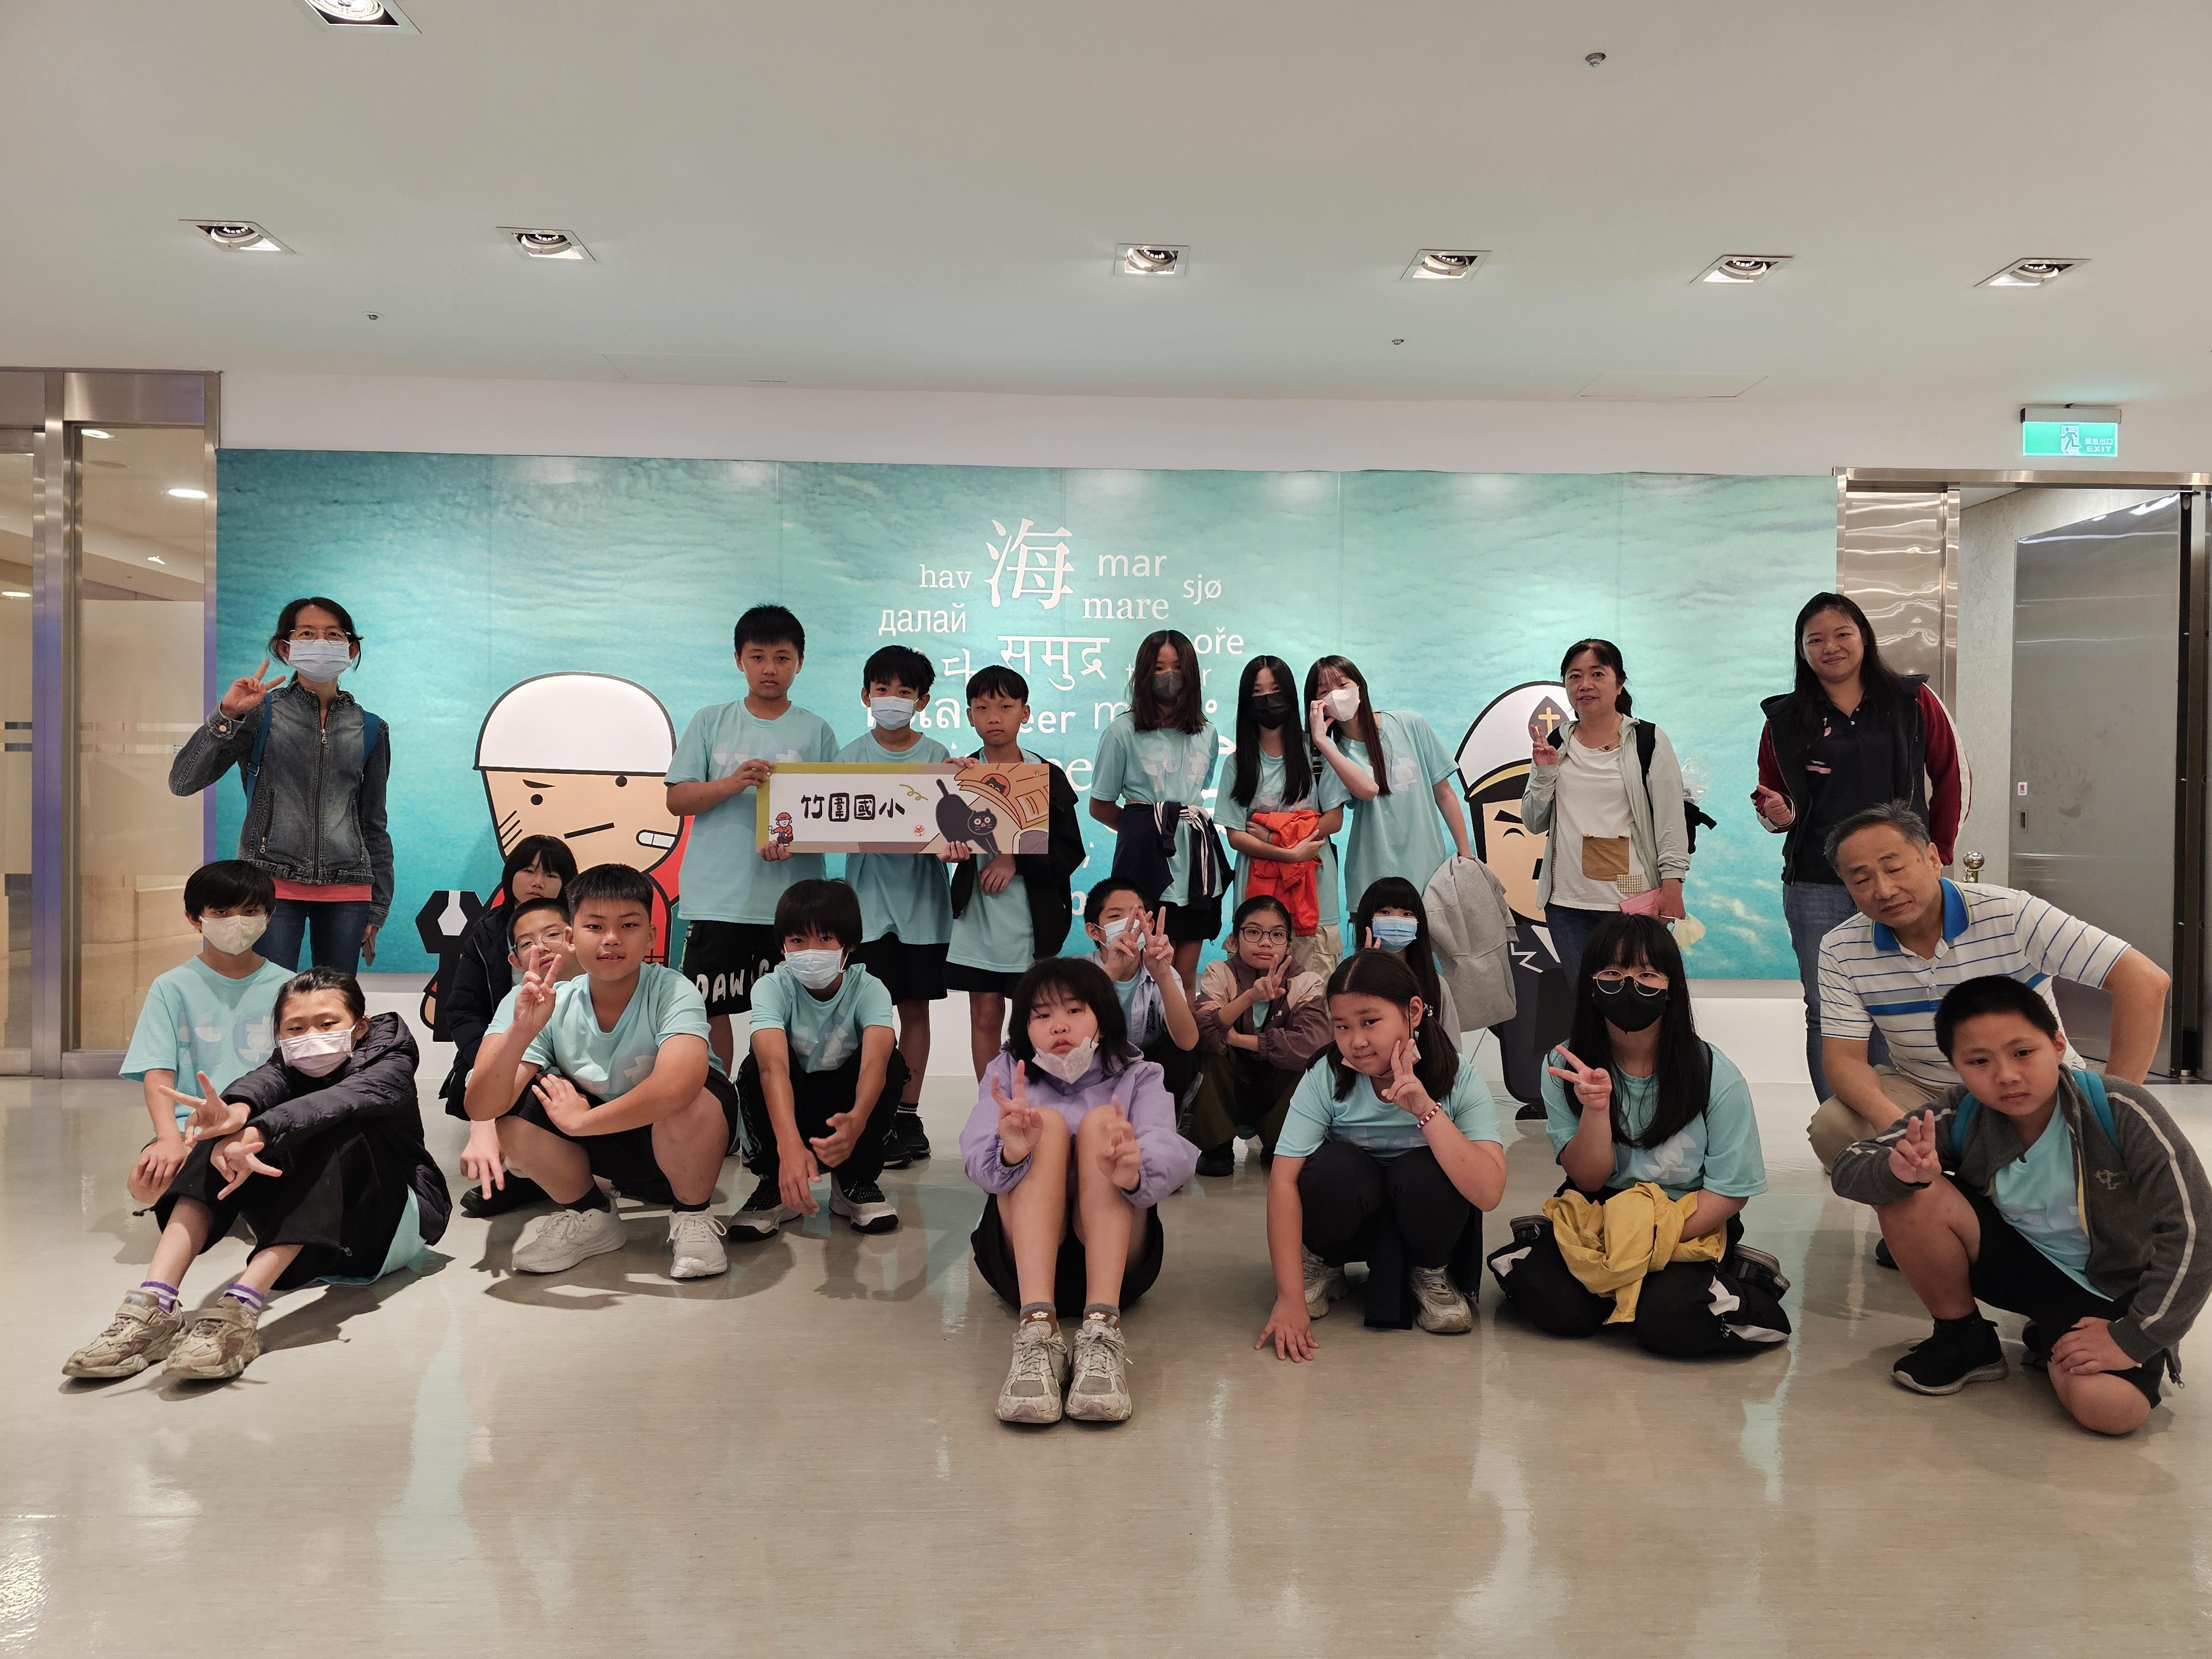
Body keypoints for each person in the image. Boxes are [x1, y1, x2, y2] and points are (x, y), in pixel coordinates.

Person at [1831, 976, 2210, 1435]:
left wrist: (2134, 1337)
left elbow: (2196, 1230)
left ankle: (2054, 1336)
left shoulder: (2119, 1108)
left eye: (2023, 1052)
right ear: (1956, 1066)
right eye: (1979, 1061)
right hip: (2016, 1269)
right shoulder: (1961, 1113)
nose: (2006, 1075)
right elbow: (1850, 1166)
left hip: (2109, 1289)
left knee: (2112, 1411)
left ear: (2058, 1044)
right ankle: (1965, 1338)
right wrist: (1898, 1171)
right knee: (1911, 1192)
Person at [65, 968, 450, 1384]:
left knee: (341, 1131)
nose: (311, 1036)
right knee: (218, 1139)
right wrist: (234, 1114)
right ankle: (156, 1303)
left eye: (327, 1024)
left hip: (387, 1226)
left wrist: (258, 1132)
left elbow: (336, 1102)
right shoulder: (290, 1062)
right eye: (296, 1028)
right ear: (281, 1036)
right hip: (314, 1240)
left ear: (360, 1026)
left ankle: (241, 1308)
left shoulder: (391, 1056)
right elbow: (263, 1083)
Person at [1487, 914, 1792, 1357]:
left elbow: (1731, 1191)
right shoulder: (1565, 1067)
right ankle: (1551, 1246)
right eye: (1612, 973)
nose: (1629, 986)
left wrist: (1650, 1240)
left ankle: (1749, 1280)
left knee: (1668, 1322)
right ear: (1590, 984)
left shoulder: (1713, 1073)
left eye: (1648, 975)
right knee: (1560, 1311)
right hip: (1600, 1212)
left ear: (1672, 988)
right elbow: (1589, 1179)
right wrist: (1596, 1110)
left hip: (1685, 1215)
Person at [1808, 801, 2171, 1173]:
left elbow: (2144, 981)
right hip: (1926, 1090)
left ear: (1932, 859)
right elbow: (1844, 1058)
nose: (1884, 890)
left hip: (2032, 1084)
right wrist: (1893, 1124)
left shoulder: (2013, 914)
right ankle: (1944, 1187)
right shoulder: (1841, 947)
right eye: (1862, 880)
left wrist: (2110, 1107)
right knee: (1836, 1128)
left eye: (1895, 868)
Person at [465, 864, 742, 1281]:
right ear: (572, 937)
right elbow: (483, 1105)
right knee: (514, 1110)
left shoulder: (672, 989)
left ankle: (693, 1215)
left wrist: (582, 1122)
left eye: (629, 925)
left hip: (674, 1136)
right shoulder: (542, 999)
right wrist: (521, 1033)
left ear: (651, 936)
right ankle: (589, 1215)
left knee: (694, 1097)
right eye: (595, 926)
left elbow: (677, 1086)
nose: (611, 939)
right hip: (602, 1138)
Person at [962, 957, 1198, 1424]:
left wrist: (1133, 1169)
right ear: (1024, 1026)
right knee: (1042, 1125)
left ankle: (1101, 1334)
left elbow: (1170, 1150)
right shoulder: (1008, 1071)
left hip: (1117, 1267)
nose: (1059, 1025)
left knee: (1104, 1124)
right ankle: (1036, 1336)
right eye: (1042, 1014)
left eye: (1074, 1010)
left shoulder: (1140, 1074)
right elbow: (975, 1155)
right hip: (1021, 1268)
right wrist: (1010, 1152)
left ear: (1103, 1018)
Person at [1753, 592, 1968, 1099]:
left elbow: (1952, 776)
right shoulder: (1785, 718)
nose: (1830, 647)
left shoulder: (1913, 701)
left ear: (1864, 638)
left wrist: (1939, 853)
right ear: (1802, 651)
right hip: (1816, 882)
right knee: (1827, 1007)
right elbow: (1774, 797)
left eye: (1842, 635)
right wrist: (1779, 814)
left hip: (1904, 876)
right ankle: (1845, 1123)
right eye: (1816, 640)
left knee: (1907, 998)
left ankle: (1908, 1120)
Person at [1256, 952, 1506, 1359]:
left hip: (1426, 1218)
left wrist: (1425, 1109)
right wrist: (1289, 1297)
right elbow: (1282, 1181)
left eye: (1370, 1021)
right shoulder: (1325, 1075)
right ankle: (1323, 1262)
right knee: (1335, 1168)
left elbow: (1489, 1192)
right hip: (1351, 1214)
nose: (1356, 1041)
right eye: (1342, 1026)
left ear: (1413, 1012)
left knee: (1432, 1169)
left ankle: (1430, 1270)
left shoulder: (1458, 1076)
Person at [168, 596, 392, 973]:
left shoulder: (370, 727)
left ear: (351, 649)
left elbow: (374, 823)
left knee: (335, 999)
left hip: (349, 888)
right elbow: (183, 781)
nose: (320, 641)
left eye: (333, 634)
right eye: (307, 633)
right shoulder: (260, 714)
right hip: (269, 886)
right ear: (286, 648)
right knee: (268, 996)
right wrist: (227, 715)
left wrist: (378, 904)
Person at [667, 604, 839, 1071]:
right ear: (738, 660)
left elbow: (835, 813)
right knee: (710, 1008)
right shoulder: (710, 721)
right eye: (758, 656)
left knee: (791, 1012)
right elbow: (677, 799)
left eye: (782, 658)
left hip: (791, 900)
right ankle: (720, 1098)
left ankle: (775, 1098)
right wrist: (732, 783)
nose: (770, 669)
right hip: (718, 897)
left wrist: (796, 841)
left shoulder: (816, 730)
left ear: (799, 663)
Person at [729, 878, 905, 1239]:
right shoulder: (771, 988)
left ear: (849, 944)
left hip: (844, 1107)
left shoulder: (870, 989)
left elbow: (875, 1063)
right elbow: (772, 1069)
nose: (811, 951)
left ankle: (855, 1182)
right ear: (782, 946)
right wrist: (789, 1147)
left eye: (825, 938)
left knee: (892, 1062)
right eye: (798, 940)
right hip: (792, 1102)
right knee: (753, 1068)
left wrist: (857, 1120)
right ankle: (775, 1182)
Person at [118, 860, 296, 1208]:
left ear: (269, 915)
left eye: (250, 911)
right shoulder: (171, 987)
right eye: (221, 912)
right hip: (193, 1128)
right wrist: (168, 1139)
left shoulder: (291, 987)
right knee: (145, 1184)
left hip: (264, 1124)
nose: (236, 922)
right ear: (195, 917)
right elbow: (158, 1072)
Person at [837, 645, 953, 1168]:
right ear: (866, 695)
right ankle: (873, 1114)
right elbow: (822, 822)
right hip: (865, 911)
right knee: (870, 1018)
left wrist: (956, 842)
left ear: (922, 701)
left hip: (924, 909)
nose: (892, 700)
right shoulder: (848, 759)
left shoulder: (939, 757)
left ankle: (907, 1112)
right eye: (882, 690)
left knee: (915, 1012)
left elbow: (956, 826)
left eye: (904, 692)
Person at [1520, 639, 1690, 984]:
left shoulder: (1648, 740)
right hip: (1567, 906)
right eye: (1575, 676)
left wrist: (1673, 885)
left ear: (1619, 683)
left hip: (1632, 904)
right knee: (1586, 1002)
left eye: (1598, 674)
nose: (1585, 685)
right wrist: (1545, 773)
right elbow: (1533, 821)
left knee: (1635, 998)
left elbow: (1671, 821)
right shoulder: (1556, 743)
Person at [945, 665, 1086, 1076]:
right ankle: (990, 1101)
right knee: (985, 1014)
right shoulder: (957, 773)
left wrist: (1015, 858)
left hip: (1030, 919)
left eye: (1005, 707)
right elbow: (936, 837)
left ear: (1025, 713)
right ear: (969, 715)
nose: (994, 717)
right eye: (982, 708)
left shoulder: (1047, 775)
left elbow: (1070, 849)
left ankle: (1033, 1098)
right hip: (977, 916)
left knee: (1034, 1018)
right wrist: (947, 848)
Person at [436, 833, 578, 1214]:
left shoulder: (578, 930)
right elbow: (463, 1010)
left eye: (551, 875)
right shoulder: (486, 933)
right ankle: (521, 1175)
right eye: (528, 870)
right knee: (500, 1081)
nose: (538, 882)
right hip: (503, 1042)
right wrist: (489, 1059)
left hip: (570, 1047)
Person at [1090, 629, 1224, 1004]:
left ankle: (1181, 1042)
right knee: (1139, 972)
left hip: (1197, 865)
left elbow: (1194, 796)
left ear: (1191, 673)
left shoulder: (1207, 732)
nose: (1168, 676)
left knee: (1185, 976)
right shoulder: (1121, 731)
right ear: (1144, 674)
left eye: (1177, 667)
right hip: (1145, 865)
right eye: (1159, 668)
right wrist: (1143, 831)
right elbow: (1100, 806)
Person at [1306, 655, 1472, 907]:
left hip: (1428, 872)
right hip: (1371, 877)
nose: (1336, 695)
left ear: (1360, 687)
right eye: (1324, 691)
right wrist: (1321, 741)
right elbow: (1367, 791)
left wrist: (1466, 855)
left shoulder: (1410, 724)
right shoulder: (1332, 754)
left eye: (1342, 685)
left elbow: (1444, 794)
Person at [1216, 655, 1345, 977]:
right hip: (1257, 901)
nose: (1267, 699)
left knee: (1314, 993)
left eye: (1275, 690)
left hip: (1315, 897)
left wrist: (1274, 836)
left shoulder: (1317, 751)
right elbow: (1237, 836)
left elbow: (1334, 820)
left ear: (1289, 694)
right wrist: (1289, 853)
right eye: (1257, 692)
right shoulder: (1237, 764)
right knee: (1256, 993)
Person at [1188, 895, 1331, 1177]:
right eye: (1253, 932)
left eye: (1277, 935)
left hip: (1275, 1084)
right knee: (1211, 1052)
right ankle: (1217, 1147)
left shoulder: (1307, 982)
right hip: (1231, 1080)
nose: (1265, 942)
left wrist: (1240, 1040)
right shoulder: (1219, 973)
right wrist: (1250, 997)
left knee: (1303, 1063)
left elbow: (1312, 1045)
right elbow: (1201, 1033)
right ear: (1234, 940)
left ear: (1290, 945)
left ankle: (1280, 1143)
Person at [1077, 878, 1200, 1105]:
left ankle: (1161, 1119)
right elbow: (1072, 1035)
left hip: (1148, 1071)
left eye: (1137, 916)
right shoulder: (1077, 972)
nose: (1129, 924)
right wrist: (1112, 971)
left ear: (1149, 925)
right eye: (1116, 916)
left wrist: (1163, 975)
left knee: (1178, 1054)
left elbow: (1188, 1042)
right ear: (1094, 931)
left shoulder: (1163, 971)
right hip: (1096, 1069)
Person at [1348, 876, 1460, 1039]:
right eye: (1385, 912)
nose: (1397, 920)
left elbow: (1452, 1047)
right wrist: (1366, 971)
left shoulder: (1435, 985)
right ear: (1368, 918)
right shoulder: (1349, 981)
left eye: (1407, 914)